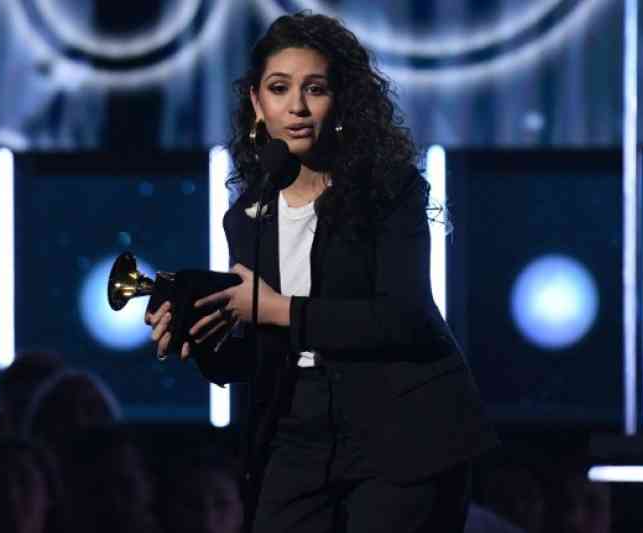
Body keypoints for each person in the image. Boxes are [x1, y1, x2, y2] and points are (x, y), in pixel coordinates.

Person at [146, 11, 498, 532]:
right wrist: (198, 339)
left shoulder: (389, 192)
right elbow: (262, 352)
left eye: (315, 88)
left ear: (341, 102)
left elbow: (405, 319)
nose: (297, 106)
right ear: (256, 104)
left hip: (401, 427)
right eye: (279, 88)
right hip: (297, 428)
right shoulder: (246, 215)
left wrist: (274, 308)